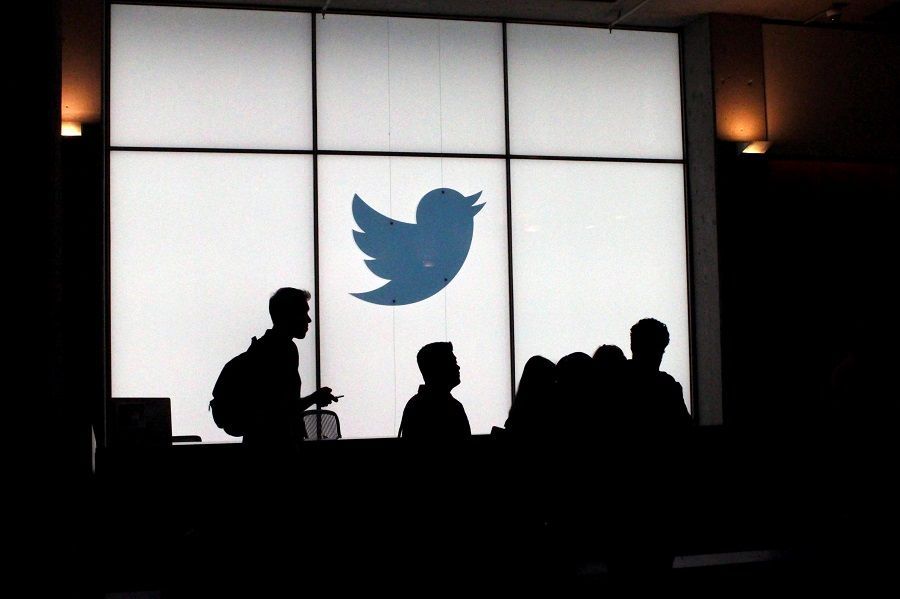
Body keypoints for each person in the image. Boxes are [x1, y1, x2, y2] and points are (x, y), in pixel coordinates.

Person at [242, 287, 340, 449]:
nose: (309, 320)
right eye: (304, 312)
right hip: (276, 443)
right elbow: (280, 409)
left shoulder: (263, 347)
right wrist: (314, 398)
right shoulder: (283, 350)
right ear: (288, 315)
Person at [398, 342, 471, 440]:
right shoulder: (452, 407)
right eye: (453, 363)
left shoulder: (414, 405)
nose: (458, 367)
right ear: (439, 367)